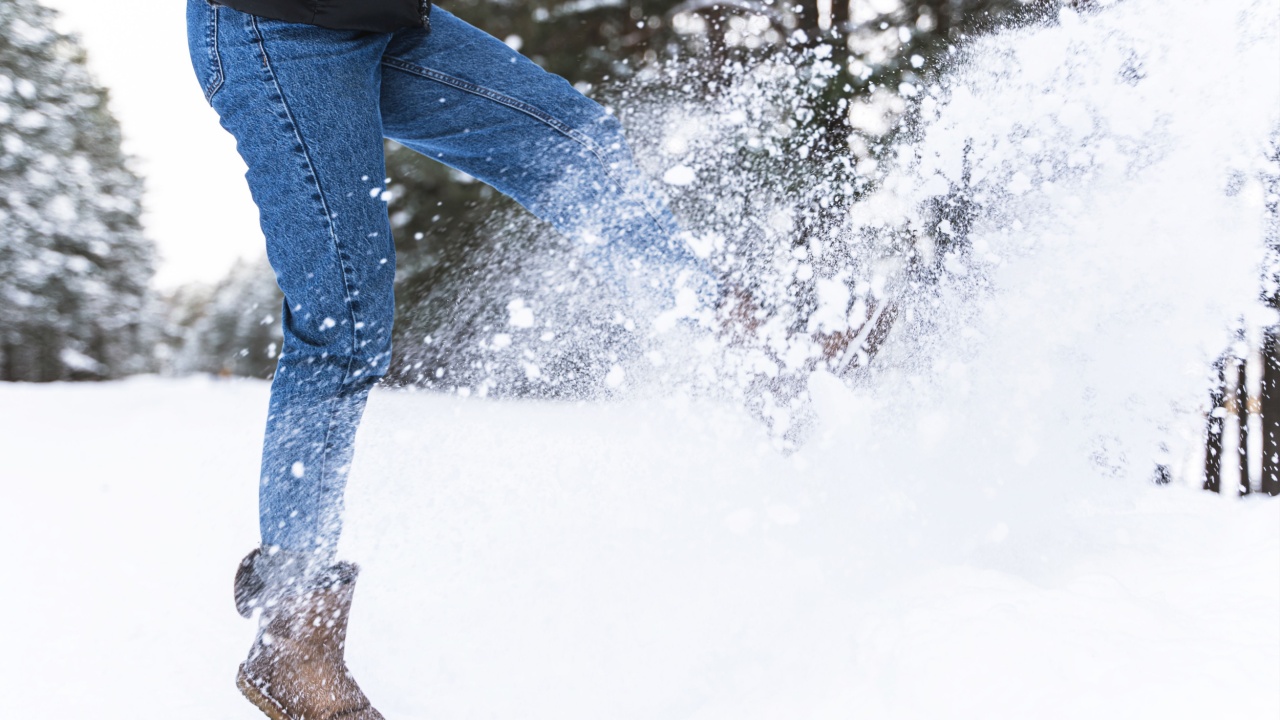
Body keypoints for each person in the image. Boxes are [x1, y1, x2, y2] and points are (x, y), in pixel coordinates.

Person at [187, 1, 722, 718]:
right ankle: (293, 634)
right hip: (275, 22)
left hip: (383, 13)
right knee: (342, 325)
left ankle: (728, 332)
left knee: (573, 144)